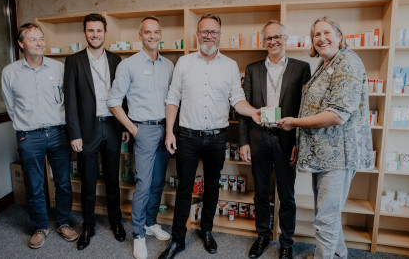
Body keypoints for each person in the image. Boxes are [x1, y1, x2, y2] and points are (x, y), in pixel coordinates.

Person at [159, 13, 261, 259]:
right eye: (204, 31)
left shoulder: (229, 65)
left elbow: (237, 100)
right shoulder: (184, 63)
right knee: (184, 188)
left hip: (217, 138)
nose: (209, 36)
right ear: (197, 34)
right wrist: (169, 131)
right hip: (188, 137)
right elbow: (173, 98)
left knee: (212, 186)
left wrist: (254, 112)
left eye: (213, 32)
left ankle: (206, 230)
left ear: (220, 35)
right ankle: (177, 240)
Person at [276, 17, 374, 259]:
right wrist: (301, 141)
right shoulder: (327, 62)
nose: (322, 39)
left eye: (327, 33)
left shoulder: (347, 63)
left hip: (337, 154)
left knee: (325, 218)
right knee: (327, 212)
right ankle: (337, 255)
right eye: (316, 35)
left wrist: (294, 123)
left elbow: (337, 115)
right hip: (323, 153)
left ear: (340, 36)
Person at [239, 20, 311, 259]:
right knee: (260, 193)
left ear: (286, 39)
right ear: (263, 41)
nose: (273, 41)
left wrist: (299, 144)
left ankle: (287, 242)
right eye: (268, 38)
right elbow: (245, 109)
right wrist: (244, 142)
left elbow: (305, 111)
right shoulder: (253, 68)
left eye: (277, 36)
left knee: (287, 195)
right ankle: (262, 236)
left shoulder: (302, 68)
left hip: (286, 140)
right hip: (259, 138)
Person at [2, 23, 78, 249]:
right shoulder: (10, 72)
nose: (40, 43)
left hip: (58, 133)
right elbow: (11, 106)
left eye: (42, 38)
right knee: (34, 185)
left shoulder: (58, 68)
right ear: (21, 43)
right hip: (29, 136)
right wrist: (24, 127)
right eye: (33, 39)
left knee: (64, 182)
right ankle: (40, 226)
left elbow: (68, 100)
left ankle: (63, 223)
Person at [107, 16, 173, 259]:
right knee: (144, 184)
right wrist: (133, 129)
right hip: (142, 130)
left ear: (161, 34)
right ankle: (138, 234)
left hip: (165, 129)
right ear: (140, 35)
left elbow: (172, 100)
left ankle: (150, 223)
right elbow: (113, 101)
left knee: (157, 181)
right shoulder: (128, 65)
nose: (152, 36)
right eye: (148, 32)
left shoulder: (169, 65)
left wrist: (170, 129)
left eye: (156, 32)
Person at [64, 13, 127, 250]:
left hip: (112, 125)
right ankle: (88, 226)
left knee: (113, 179)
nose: (95, 34)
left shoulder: (116, 59)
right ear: (85, 33)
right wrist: (74, 134)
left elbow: (123, 94)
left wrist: (124, 127)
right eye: (90, 30)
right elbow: (69, 101)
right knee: (88, 181)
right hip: (87, 130)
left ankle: (116, 222)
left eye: (99, 30)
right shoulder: (74, 61)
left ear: (105, 33)